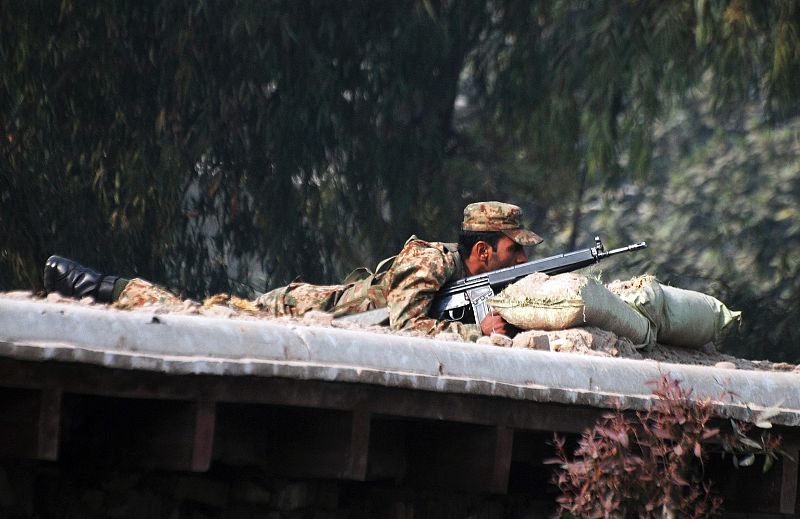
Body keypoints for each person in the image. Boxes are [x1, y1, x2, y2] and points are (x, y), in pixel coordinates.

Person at [44, 201, 543, 340]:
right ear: (480, 252)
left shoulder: (468, 275)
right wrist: (478, 335)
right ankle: (102, 286)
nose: (520, 261)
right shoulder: (428, 261)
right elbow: (407, 325)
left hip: (324, 317)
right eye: (512, 250)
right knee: (192, 314)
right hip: (297, 310)